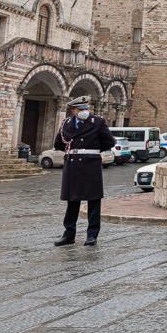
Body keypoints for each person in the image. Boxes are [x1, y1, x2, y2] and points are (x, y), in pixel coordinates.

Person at [52, 95, 115, 246]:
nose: (85, 111)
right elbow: (59, 143)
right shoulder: (66, 124)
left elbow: (109, 141)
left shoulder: (97, 122)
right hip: (72, 164)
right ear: (73, 110)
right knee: (72, 201)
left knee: (93, 201)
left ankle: (92, 235)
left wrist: (91, 150)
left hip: (90, 164)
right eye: (81, 109)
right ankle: (69, 234)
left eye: (86, 108)